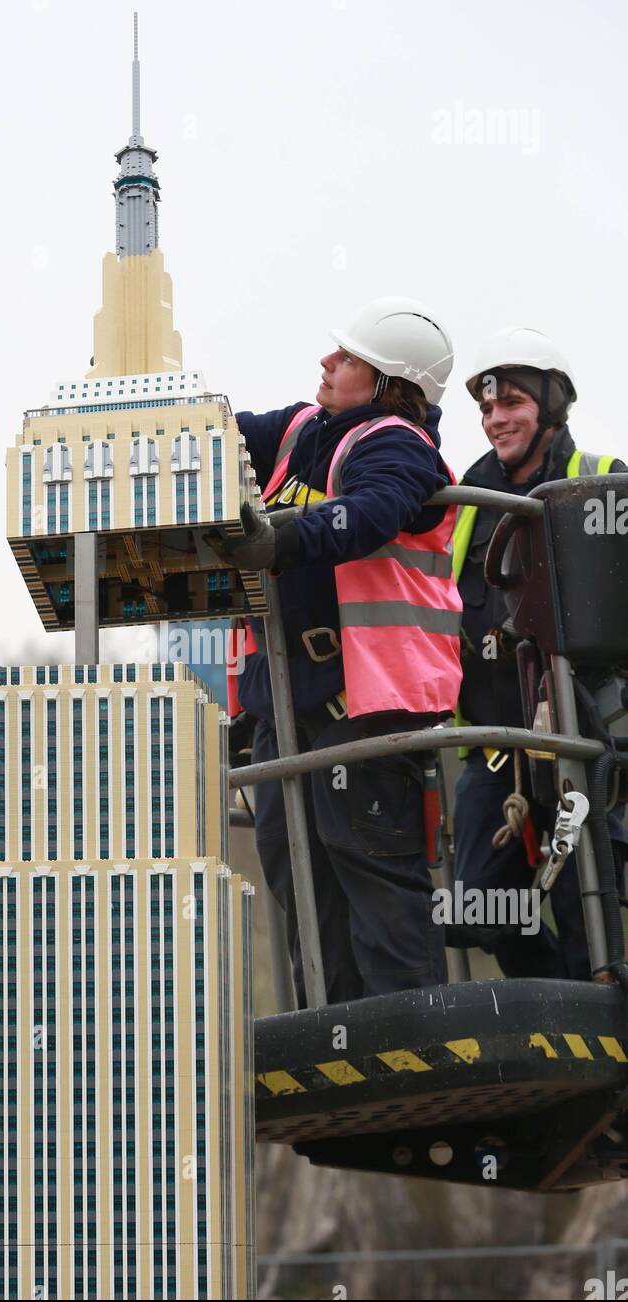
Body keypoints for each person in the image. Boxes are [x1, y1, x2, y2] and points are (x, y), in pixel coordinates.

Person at [211, 296, 462, 1006]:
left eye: (347, 357)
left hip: (363, 705)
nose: (326, 362)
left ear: (390, 386)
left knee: (376, 882)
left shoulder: (397, 443)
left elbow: (374, 510)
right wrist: (141, 398)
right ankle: (337, 1045)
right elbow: (210, 432)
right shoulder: (299, 428)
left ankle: (410, 1055)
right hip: (281, 706)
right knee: (297, 879)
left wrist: (279, 537)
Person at [452, 327, 628, 979]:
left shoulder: (605, 482)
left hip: (580, 735)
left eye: (514, 403)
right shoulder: (466, 501)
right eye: (488, 408)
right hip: (494, 748)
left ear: (553, 404)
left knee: (590, 909)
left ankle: (600, 1044)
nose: (497, 419)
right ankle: (553, 1008)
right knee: (479, 908)